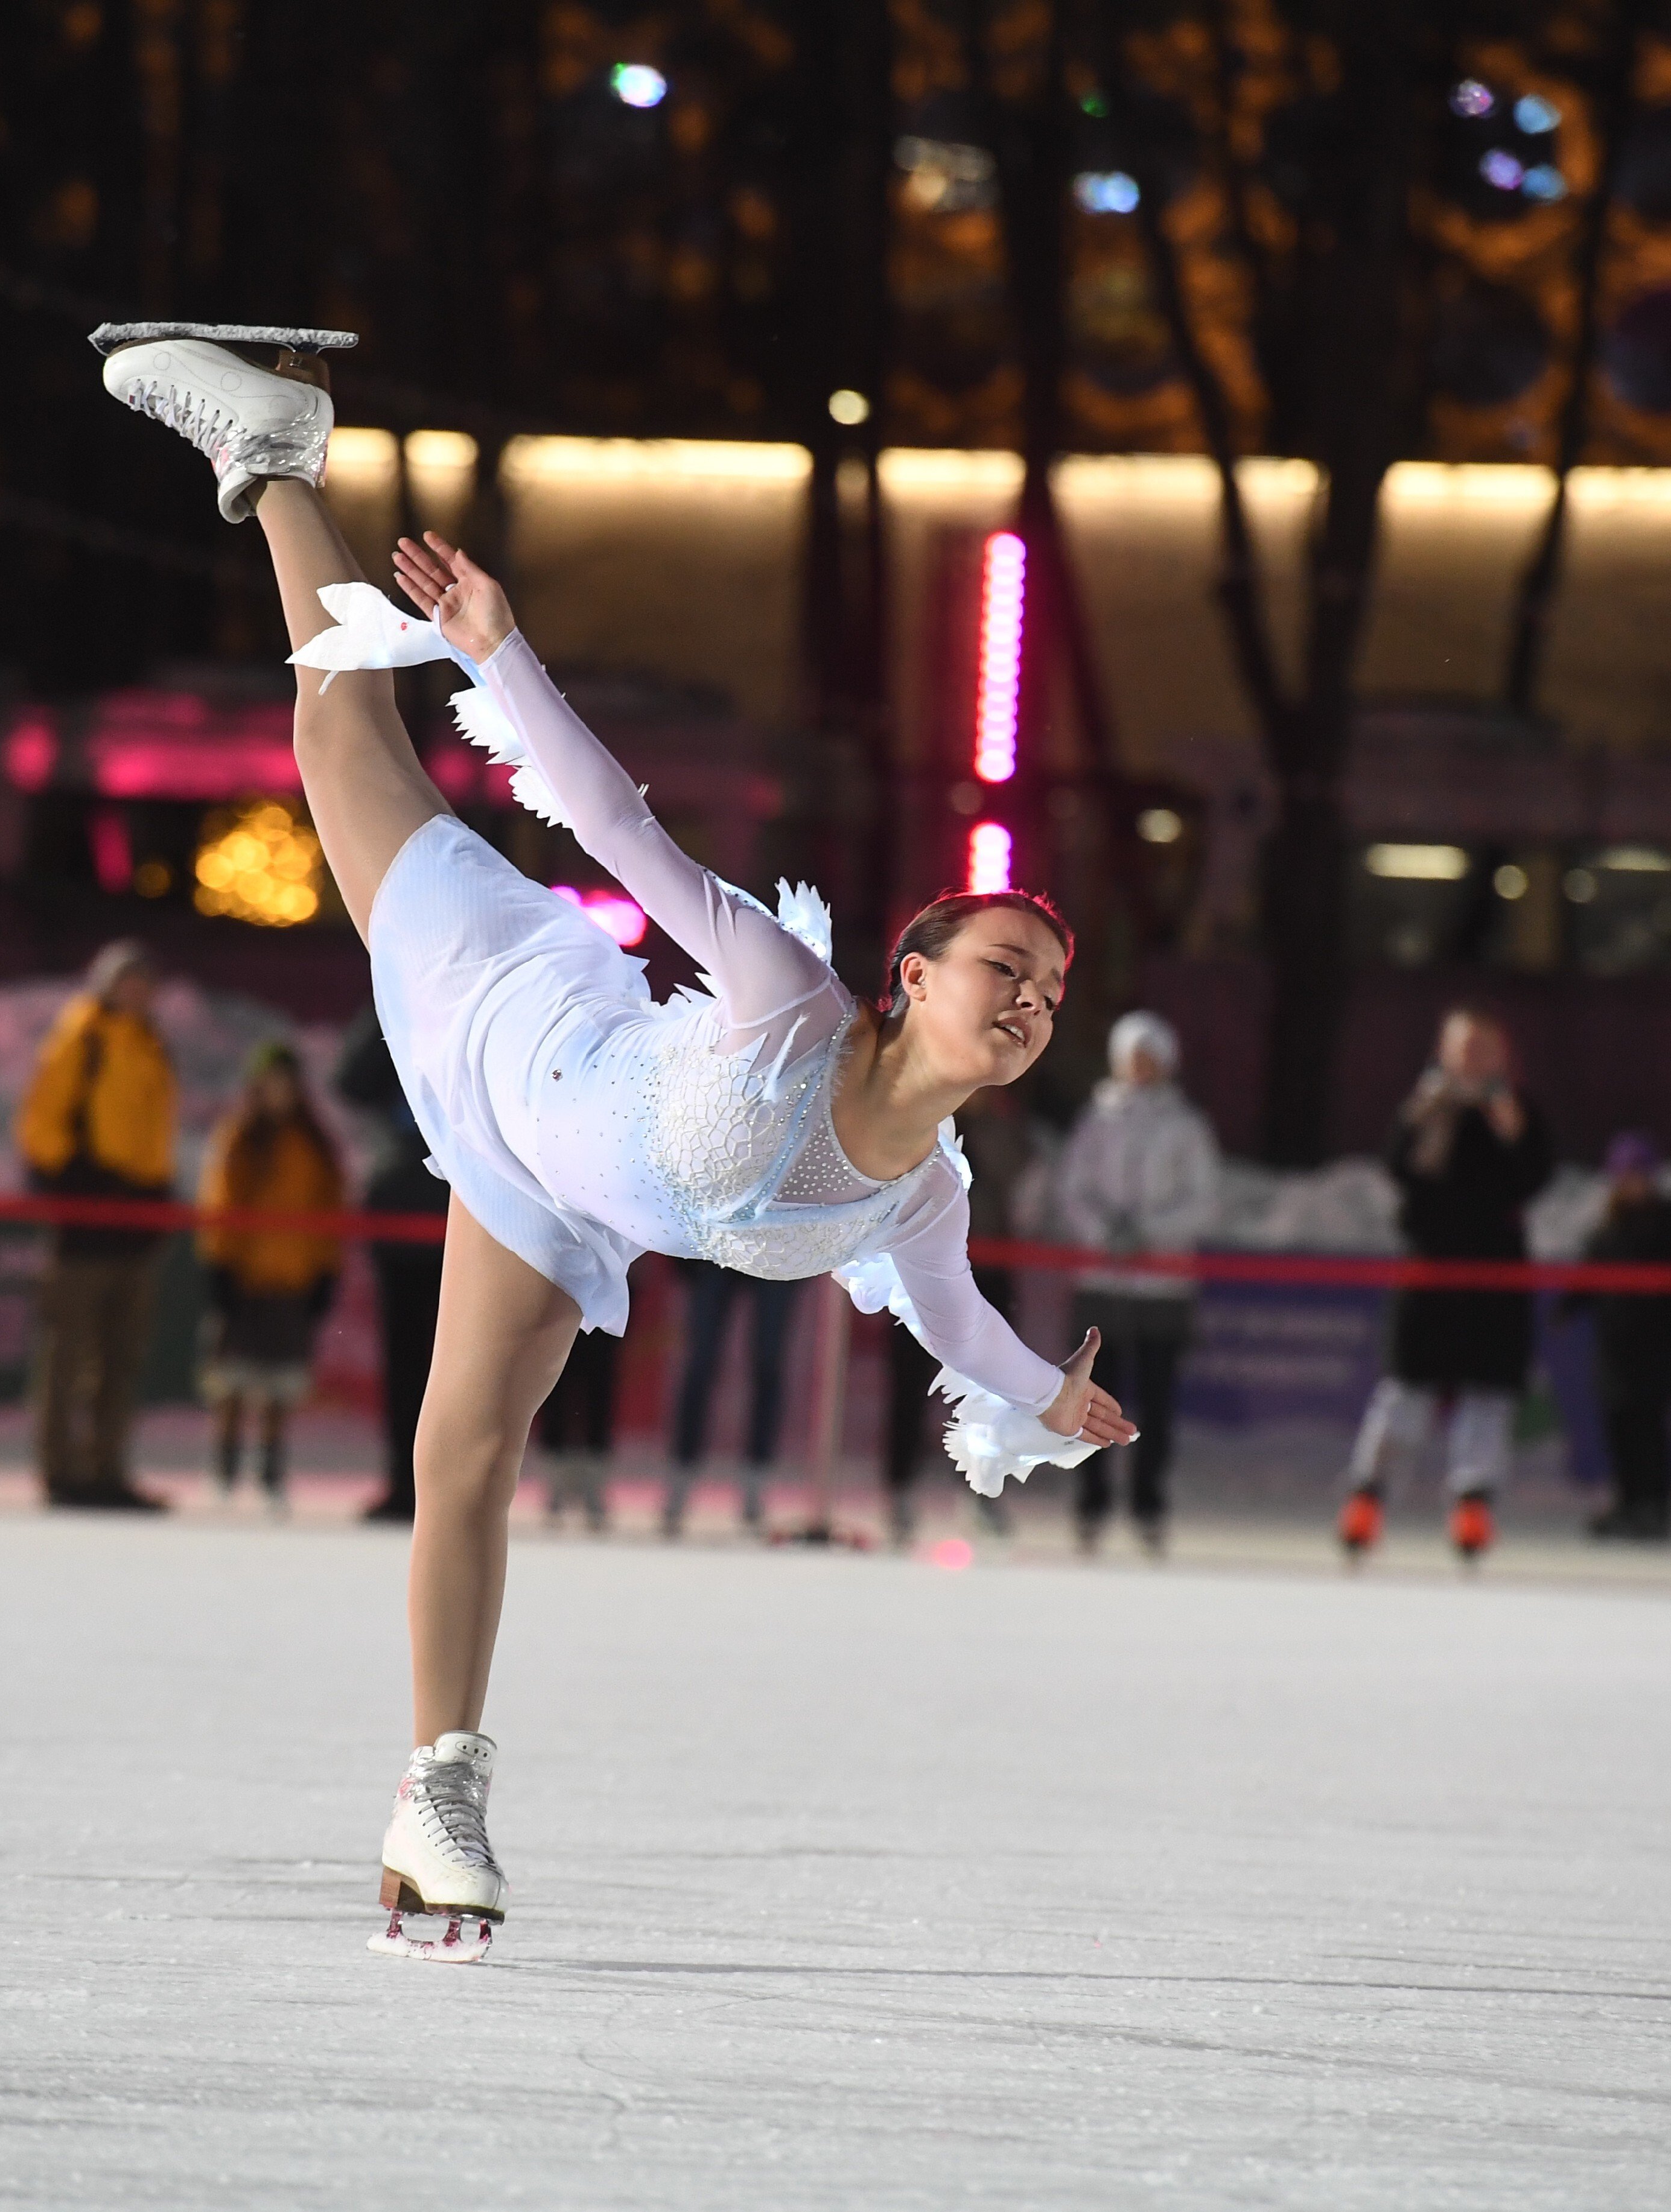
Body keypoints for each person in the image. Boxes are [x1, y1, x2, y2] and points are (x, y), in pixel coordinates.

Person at [97, 332, 1127, 1959]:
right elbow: (620, 830)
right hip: (508, 1006)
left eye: (1049, 994)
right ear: (911, 974)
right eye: (1005, 967)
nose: (1028, 1003)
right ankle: (275, 459)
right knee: (341, 735)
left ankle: (437, 1801)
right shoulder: (788, 1001)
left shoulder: (921, 1198)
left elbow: (962, 1329)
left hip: (549, 1195)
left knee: (461, 1464)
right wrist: (498, 653)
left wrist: (1045, 1399)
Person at [1340, 1008, 1552, 1568]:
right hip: (1430, 1270)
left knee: (1487, 1399)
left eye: (1484, 1047)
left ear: (1501, 1054)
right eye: (1464, 1047)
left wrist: (1513, 1129)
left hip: (1494, 1276)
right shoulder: (1426, 1105)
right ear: (1445, 1050)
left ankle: (1473, 1507)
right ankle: (1367, 1500)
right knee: (1405, 1394)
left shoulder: (1516, 1109)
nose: (1473, 1058)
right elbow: (1398, 1168)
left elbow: (1535, 1177)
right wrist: (1427, 1120)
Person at [16, 938, 179, 1512]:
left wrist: (153, 1189)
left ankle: (107, 1467)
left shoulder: (151, 1044)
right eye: (127, 982)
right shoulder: (81, 1037)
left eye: (145, 983)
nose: (137, 993)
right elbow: (41, 1123)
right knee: (68, 1352)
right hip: (86, 1218)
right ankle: (61, 1469)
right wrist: (81, 1181)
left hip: (136, 1217)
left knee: (120, 1354)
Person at [1054, 1009, 1220, 1558]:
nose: (1141, 1068)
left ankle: (1148, 1506)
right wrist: (1105, 1233)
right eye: (1133, 1058)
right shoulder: (1098, 1120)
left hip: (1162, 1289)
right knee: (1092, 1401)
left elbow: (1203, 1199)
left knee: (1156, 1401)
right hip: (1102, 1283)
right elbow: (1073, 1188)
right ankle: (1091, 1504)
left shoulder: (1186, 1126)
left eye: (1151, 1058)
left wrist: (1150, 1231)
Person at [882, 1086, 1038, 1545]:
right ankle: (900, 1489)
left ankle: (981, 1493)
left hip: (987, 1269)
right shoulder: (921, 1122)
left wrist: (982, 1132)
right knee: (910, 1384)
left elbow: (1020, 1177)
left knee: (989, 1388)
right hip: (920, 1269)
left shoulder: (1004, 1130)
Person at [196, 1038, 346, 1515]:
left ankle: (271, 1472)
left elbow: (329, 1214)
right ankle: (224, 1471)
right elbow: (220, 1202)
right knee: (230, 1384)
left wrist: (325, 1271)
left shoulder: (315, 1146)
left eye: (288, 1083)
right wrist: (220, 1265)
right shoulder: (239, 1137)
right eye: (272, 1082)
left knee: (281, 1387)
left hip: (293, 1280)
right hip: (245, 1278)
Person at [1562, 1131, 1671, 1542]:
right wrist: (1568, 1307)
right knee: (1620, 1428)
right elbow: (1588, 1274)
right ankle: (1628, 1503)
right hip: (1617, 1347)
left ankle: (1656, 1507)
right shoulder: (1610, 1226)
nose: (1630, 1184)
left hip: (1658, 1348)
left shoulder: (1669, 1223)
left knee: (1651, 1430)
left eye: (1637, 1175)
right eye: (1623, 1176)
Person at [334, 1005, 444, 1524]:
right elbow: (350, 1083)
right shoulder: (398, 1011)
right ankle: (404, 1480)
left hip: (463, 1212)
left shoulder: (465, 1006)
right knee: (405, 1361)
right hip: (401, 1211)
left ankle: (446, 1486)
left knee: (458, 1365)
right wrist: (391, 1005)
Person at [660, 1261, 800, 1536]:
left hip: (778, 1252)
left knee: (768, 1365)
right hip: (715, 1250)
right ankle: (680, 1482)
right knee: (700, 1364)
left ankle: (755, 1487)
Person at [535, 1326, 620, 1530]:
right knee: (554, 1386)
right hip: (557, 1312)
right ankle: (557, 1485)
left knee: (599, 1389)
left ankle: (593, 1488)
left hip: (601, 1316)